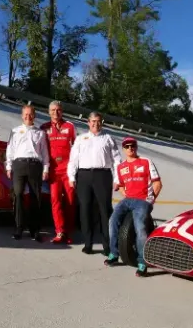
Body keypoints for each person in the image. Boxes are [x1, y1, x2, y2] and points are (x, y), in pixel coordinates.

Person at [104, 136, 162, 276]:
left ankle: (142, 262)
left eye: (132, 145)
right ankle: (114, 254)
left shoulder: (146, 161)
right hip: (128, 199)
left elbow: (157, 183)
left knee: (140, 228)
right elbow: (119, 185)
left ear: (136, 147)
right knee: (112, 221)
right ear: (123, 149)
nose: (130, 148)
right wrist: (125, 194)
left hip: (143, 200)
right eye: (127, 146)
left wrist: (150, 200)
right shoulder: (121, 166)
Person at [67, 111, 121, 255]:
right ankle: (88, 243)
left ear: (101, 122)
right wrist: (71, 177)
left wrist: (117, 179)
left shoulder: (108, 138)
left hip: (102, 175)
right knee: (85, 209)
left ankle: (107, 245)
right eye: (93, 121)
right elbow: (73, 160)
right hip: (83, 176)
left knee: (105, 210)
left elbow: (117, 160)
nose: (95, 124)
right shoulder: (80, 139)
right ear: (88, 122)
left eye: (98, 121)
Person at [5, 104, 50, 241]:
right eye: (25, 114)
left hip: (35, 165)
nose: (28, 116)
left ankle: (34, 229)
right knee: (18, 195)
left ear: (34, 116)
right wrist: (8, 166)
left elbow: (44, 153)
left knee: (35, 197)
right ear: (22, 115)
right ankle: (19, 227)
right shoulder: (15, 131)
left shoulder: (40, 133)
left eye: (30, 114)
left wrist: (46, 168)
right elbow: (10, 150)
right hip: (19, 165)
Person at [40, 100, 77, 244]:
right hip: (53, 172)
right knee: (55, 200)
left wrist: (75, 168)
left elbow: (77, 147)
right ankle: (60, 231)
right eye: (53, 110)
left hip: (68, 171)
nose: (56, 112)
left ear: (62, 111)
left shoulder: (70, 126)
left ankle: (69, 232)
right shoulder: (44, 128)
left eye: (59, 110)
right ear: (49, 112)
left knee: (70, 200)